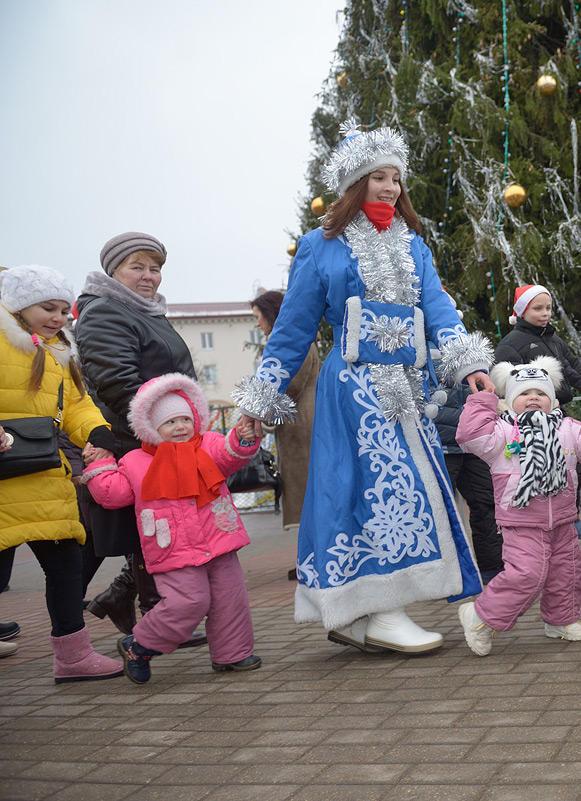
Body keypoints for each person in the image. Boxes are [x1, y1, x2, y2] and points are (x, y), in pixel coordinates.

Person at [233, 122, 493, 654]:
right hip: (351, 389)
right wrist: (261, 399)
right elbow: (292, 331)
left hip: (407, 388)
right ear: (356, 183)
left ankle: (368, 608)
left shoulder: (413, 245)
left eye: (397, 177)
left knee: (409, 489)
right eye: (379, 176)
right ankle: (374, 608)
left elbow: (438, 308)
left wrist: (465, 360)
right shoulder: (319, 247)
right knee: (361, 492)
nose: (391, 187)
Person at [82, 374, 263, 683]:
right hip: (172, 547)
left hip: (218, 538)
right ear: (152, 427)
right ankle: (140, 646)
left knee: (230, 597)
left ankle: (232, 654)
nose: (181, 427)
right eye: (170, 422)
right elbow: (113, 494)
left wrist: (242, 437)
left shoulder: (208, 445)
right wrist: (99, 466)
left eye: (185, 419)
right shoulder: (136, 461)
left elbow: (230, 455)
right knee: (187, 602)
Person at [75, 232, 204, 646]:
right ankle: (156, 614)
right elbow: (117, 383)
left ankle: (130, 601)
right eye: (138, 267)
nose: (150, 276)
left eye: (156, 268)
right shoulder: (106, 312)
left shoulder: (141, 311)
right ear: (113, 270)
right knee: (154, 526)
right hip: (138, 438)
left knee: (154, 527)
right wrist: (164, 429)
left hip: (158, 434)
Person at [455, 357, 581, 655]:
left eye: (541, 393)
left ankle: (561, 620)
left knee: (567, 572)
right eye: (523, 393)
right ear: (510, 401)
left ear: (553, 400)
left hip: (562, 519)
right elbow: (471, 435)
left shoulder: (568, 429)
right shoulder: (501, 432)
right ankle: (481, 616)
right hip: (521, 521)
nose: (533, 397)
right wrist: (483, 399)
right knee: (527, 574)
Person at [0, 265, 124, 682]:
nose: (57, 317)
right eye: (46, 308)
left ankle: (72, 656)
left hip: (44, 472)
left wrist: (98, 432)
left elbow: (76, 404)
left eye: (62, 310)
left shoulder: (58, 351)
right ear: (18, 305)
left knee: (68, 567)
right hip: (4, 479)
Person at [495, 284, 581, 540]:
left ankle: (572, 515)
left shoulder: (554, 340)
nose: (545, 313)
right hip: (525, 420)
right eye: (537, 308)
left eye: (548, 308)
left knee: (574, 460)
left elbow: (576, 371)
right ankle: (529, 520)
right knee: (533, 465)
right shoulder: (510, 344)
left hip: (556, 412)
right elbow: (505, 385)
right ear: (522, 311)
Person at [250, 290, 319, 580]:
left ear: (272, 314)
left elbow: (289, 386)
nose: (257, 325)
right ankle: (310, 557)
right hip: (297, 426)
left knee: (307, 494)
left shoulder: (295, 341)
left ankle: (315, 559)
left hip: (302, 428)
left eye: (258, 317)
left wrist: (261, 412)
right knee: (305, 493)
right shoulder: (295, 339)